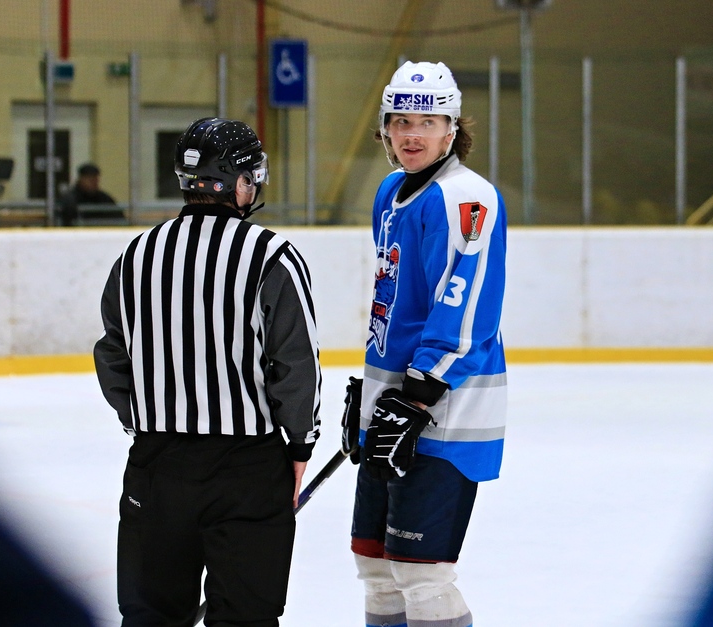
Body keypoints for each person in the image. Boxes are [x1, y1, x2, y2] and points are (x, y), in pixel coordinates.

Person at [93, 117, 321, 627]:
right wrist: (299, 444)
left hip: (157, 463)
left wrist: (145, 422)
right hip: (247, 468)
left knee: (152, 616)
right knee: (245, 617)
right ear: (237, 182)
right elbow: (295, 364)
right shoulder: (272, 255)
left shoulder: (136, 256)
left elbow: (112, 355)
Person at [340, 60, 508, 627]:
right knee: (375, 566)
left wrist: (416, 395)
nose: (412, 135)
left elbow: (467, 307)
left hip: (446, 406)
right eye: (401, 122)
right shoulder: (390, 192)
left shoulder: (467, 197)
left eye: (428, 122)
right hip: (394, 404)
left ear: (452, 129)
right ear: (385, 129)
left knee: (421, 574)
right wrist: (374, 401)